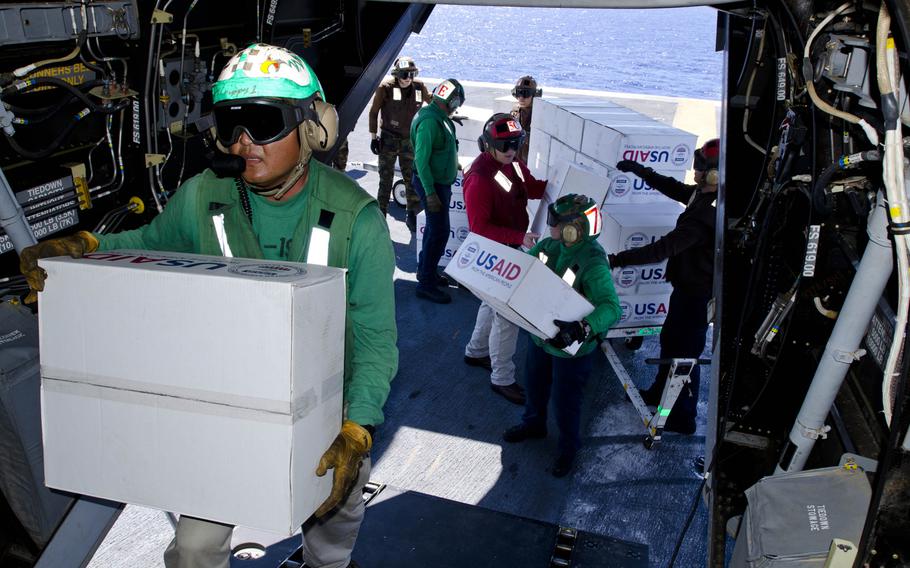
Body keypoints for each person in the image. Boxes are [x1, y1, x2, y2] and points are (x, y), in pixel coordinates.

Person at [19, 43, 398, 568]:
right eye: (231, 125)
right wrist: (82, 248)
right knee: (195, 548)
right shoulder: (203, 196)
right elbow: (148, 243)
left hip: (325, 408)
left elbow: (376, 341)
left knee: (333, 523)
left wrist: (356, 427)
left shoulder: (357, 220)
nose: (243, 144)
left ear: (314, 129)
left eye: (262, 123)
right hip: (229, 401)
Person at [502, 194, 621, 478]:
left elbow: (611, 308)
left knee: (566, 401)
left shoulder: (593, 262)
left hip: (572, 350)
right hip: (540, 338)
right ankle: (534, 424)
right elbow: (525, 267)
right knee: (534, 385)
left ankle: (568, 449)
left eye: (556, 223)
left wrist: (583, 327)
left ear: (574, 229)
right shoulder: (549, 246)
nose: (550, 226)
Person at [609, 138, 720, 435]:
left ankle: (683, 417)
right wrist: (640, 171)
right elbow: (674, 188)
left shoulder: (707, 216)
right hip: (686, 288)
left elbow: (663, 249)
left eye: (701, 167)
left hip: (696, 296)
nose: (694, 172)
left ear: (715, 175)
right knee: (671, 342)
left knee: (685, 356)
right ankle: (660, 397)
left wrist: (617, 260)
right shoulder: (703, 195)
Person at [462, 113, 546, 405]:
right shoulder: (479, 178)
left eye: (516, 144)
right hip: (493, 253)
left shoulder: (514, 165)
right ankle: (502, 378)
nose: (511, 151)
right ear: (487, 145)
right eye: (505, 146)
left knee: (490, 304)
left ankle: (475, 352)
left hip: (508, 248)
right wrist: (517, 237)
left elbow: (532, 187)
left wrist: (561, 189)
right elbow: (479, 228)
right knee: (507, 316)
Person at [410, 77, 464, 304]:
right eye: (457, 102)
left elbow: (442, 149)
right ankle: (426, 284)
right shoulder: (430, 122)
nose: (457, 107)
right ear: (450, 101)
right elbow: (421, 160)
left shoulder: (439, 117)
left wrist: (454, 163)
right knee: (439, 232)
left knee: (435, 230)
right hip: (432, 185)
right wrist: (430, 193)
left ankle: (426, 272)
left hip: (438, 183)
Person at [368, 56, 431, 230]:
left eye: (411, 74)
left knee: (411, 180)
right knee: (385, 180)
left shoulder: (419, 87)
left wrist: (449, 110)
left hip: (409, 141)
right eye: (404, 75)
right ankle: (380, 218)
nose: (408, 79)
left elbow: (433, 103)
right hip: (388, 140)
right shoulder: (385, 88)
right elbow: (373, 112)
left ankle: (412, 215)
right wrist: (374, 137)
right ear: (397, 74)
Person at [509, 75, 541, 164]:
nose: (521, 98)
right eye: (519, 93)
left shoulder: (539, 115)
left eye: (526, 93)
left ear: (534, 95)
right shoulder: (515, 112)